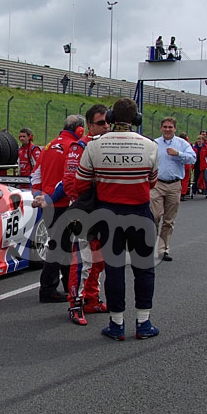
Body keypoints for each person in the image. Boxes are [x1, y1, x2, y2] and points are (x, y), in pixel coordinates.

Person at [73, 97, 159, 341]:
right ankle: (143, 322)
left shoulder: (94, 146)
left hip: (108, 214)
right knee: (144, 270)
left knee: (114, 270)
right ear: (136, 119)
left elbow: (81, 183)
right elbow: (151, 181)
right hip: (140, 213)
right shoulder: (150, 146)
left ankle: (117, 324)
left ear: (110, 118)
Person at [59, 104, 112, 324]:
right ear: (89, 125)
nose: (106, 127)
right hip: (84, 212)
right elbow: (70, 183)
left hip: (105, 211)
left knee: (100, 260)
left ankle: (91, 298)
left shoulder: (111, 145)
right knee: (82, 261)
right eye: (101, 123)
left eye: (108, 122)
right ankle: (76, 303)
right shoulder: (79, 147)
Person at [31, 114, 86, 303]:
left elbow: (35, 173)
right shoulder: (74, 148)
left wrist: (38, 195)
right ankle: (48, 290)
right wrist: (50, 197)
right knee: (59, 247)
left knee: (62, 245)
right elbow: (67, 180)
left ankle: (67, 285)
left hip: (46, 203)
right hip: (62, 203)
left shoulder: (48, 146)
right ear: (79, 130)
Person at [150, 117, 196, 262]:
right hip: (157, 184)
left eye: (170, 127)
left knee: (169, 220)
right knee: (154, 216)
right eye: (165, 127)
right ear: (161, 128)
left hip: (174, 184)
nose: (167, 129)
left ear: (175, 129)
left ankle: (163, 249)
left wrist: (179, 154)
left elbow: (192, 158)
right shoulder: (154, 144)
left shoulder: (182, 144)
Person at [178, 133, 193, 200]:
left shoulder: (176, 144)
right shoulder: (188, 145)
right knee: (185, 180)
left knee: (179, 180)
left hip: (179, 164)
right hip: (186, 164)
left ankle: (178, 193)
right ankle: (183, 194)